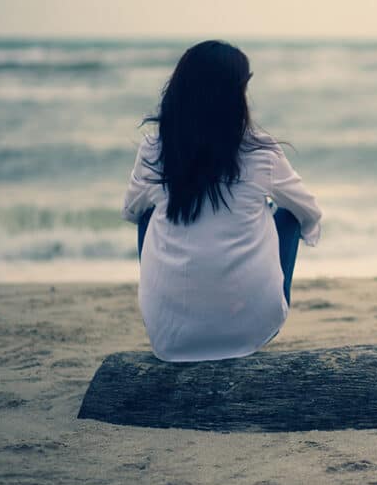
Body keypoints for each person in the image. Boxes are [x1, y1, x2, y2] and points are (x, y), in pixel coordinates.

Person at [121, 40, 322, 363]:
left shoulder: (155, 150)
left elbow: (131, 211)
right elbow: (309, 211)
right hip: (250, 330)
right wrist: (267, 222)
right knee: (288, 216)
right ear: (233, 99)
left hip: (168, 338)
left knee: (149, 214)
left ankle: (168, 303)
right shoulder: (260, 153)